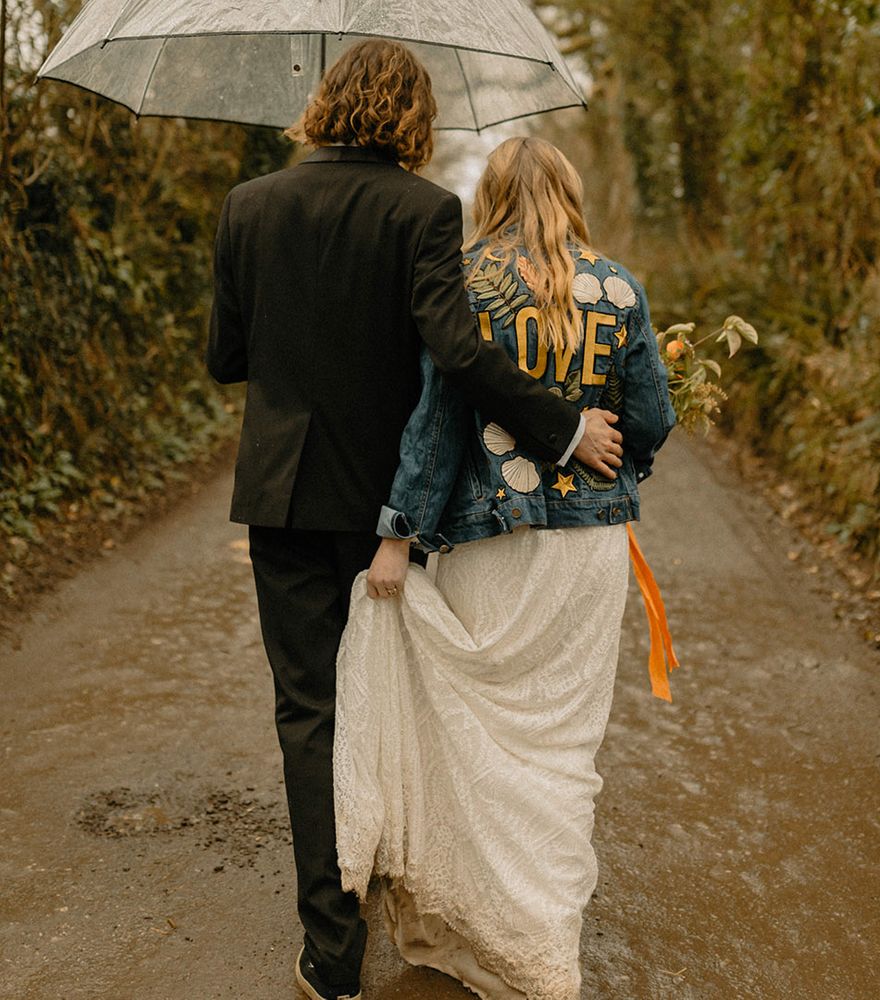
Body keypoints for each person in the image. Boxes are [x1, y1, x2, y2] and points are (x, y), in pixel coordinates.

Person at [205, 42, 624, 1000]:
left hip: (281, 495)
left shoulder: (249, 207)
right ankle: (402, 879)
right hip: (385, 500)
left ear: (323, 103)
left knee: (308, 711)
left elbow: (227, 356)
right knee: (395, 692)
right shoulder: (424, 212)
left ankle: (332, 954)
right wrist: (561, 428)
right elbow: (460, 351)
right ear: (411, 120)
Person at [333, 136, 676, 1000]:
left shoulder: (468, 284)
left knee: (480, 736)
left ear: (489, 195)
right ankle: (544, 944)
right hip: (585, 554)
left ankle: (483, 931)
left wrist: (398, 535)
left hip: (492, 544)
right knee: (563, 747)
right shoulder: (620, 286)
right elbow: (653, 418)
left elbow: (435, 428)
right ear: (569, 189)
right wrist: (618, 471)